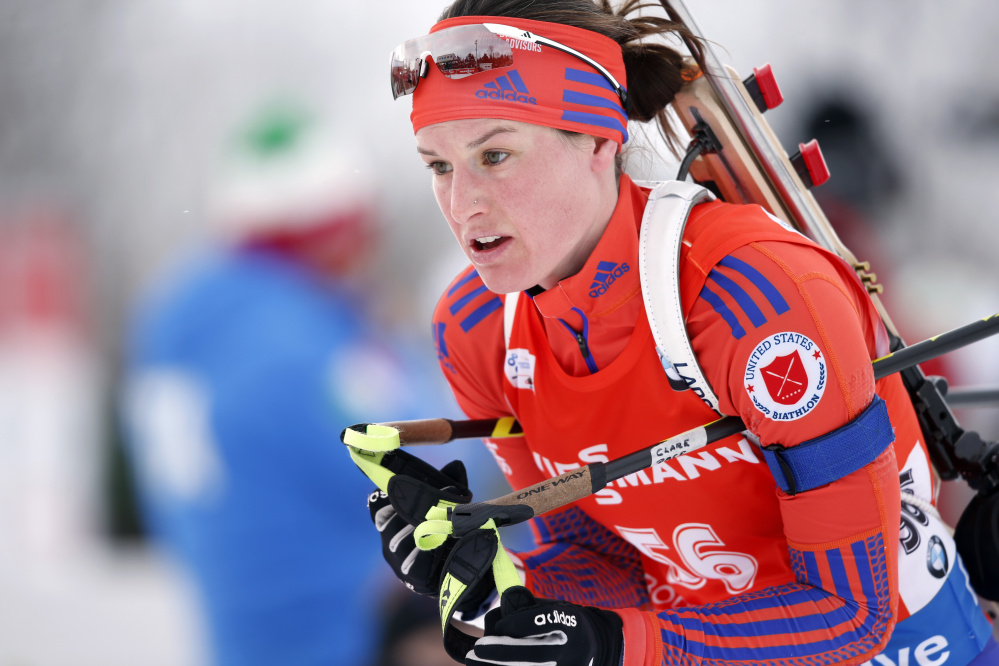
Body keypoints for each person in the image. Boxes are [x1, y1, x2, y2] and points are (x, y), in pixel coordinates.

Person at [365, 1, 999, 665]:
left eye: (494, 154)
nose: (463, 201)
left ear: (597, 140)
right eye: (437, 165)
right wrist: (486, 580)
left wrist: (621, 645)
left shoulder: (747, 296)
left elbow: (850, 615)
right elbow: (603, 559)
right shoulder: (477, 331)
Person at [121, 103, 446, 665]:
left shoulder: (172, 326)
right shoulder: (301, 345)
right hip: (347, 635)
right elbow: (437, 469)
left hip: (238, 638)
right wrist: (388, 347)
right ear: (331, 236)